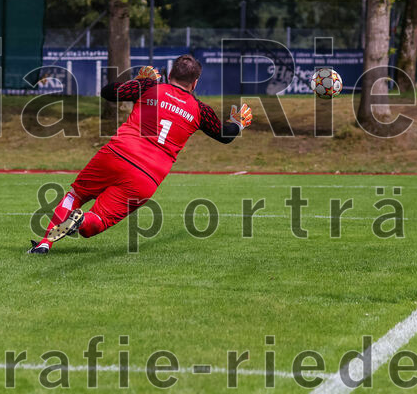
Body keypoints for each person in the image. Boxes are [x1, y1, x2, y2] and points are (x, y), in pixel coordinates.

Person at [28, 54, 253, 254]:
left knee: (75, 195)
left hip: (116, 154)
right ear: (195, 83)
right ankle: (81, 221)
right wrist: (239, 123)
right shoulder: (200, 110)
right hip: (147, 177)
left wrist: (139, 81)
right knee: (98, 220)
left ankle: (45, 243)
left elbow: (108, 93)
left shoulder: (148, 88)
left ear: (170, 73)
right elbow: (224, 135)